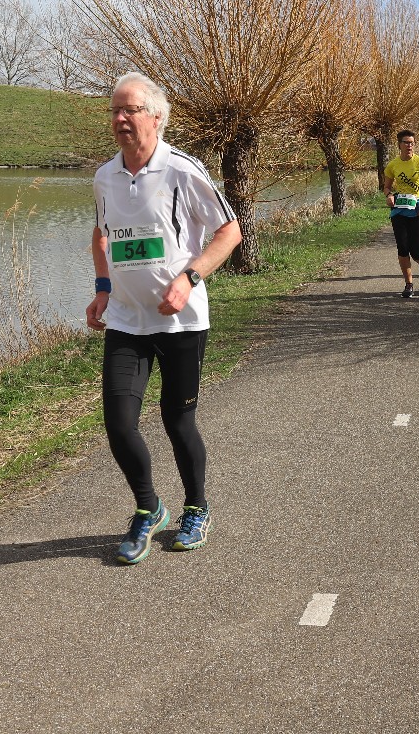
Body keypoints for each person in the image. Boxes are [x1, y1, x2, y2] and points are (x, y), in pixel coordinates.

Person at [88, 72, 242, 564]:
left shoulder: (182, 169)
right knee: (119, 423)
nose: (119, 119)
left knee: (178, 420)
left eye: (129, 110)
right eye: (115, 110)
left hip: (181, 323)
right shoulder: (105, 176)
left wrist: (189, 278)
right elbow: (101, 235)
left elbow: (229, 231)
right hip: (126, 320)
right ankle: (148, 507)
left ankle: (196, 508)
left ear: (155, 116)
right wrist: (103, 289)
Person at [382, 128, 419, 298]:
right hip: (399, 211)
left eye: (412, 143)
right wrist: (389, 195)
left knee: (416, 251)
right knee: (403, 249)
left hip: (418, 210)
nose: (409, 146)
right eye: (406, 142)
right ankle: (409, 284)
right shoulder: (393, 165)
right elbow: (386, 187)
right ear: (399, 145)